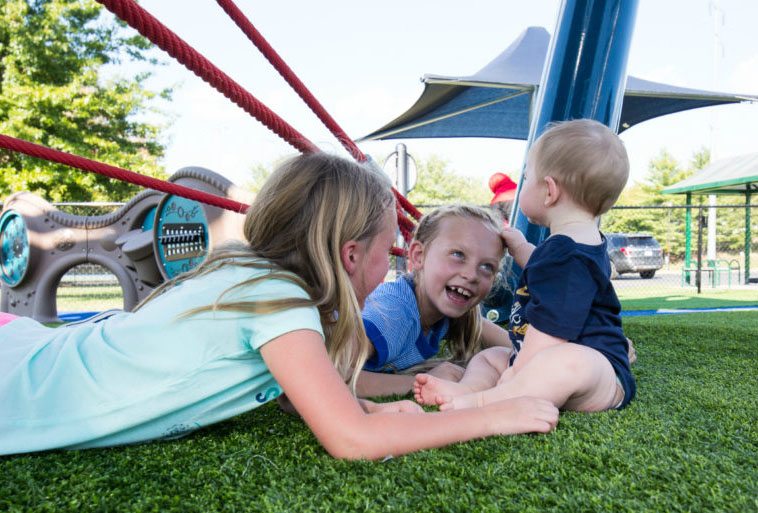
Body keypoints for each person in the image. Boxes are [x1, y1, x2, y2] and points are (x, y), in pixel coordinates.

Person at [0, 152, 558, 459]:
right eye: (386, 250)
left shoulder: (256, 278)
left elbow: (303, 397)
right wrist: (493, 415)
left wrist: (373, 407)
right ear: (349, 254)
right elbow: (351, 442)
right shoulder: (280, 300)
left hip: (34, 351)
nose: (388, 269)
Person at [414, 119, 636, 413]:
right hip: (545, 363)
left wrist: (518, 373)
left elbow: (551, 332)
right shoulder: (575, 245)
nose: (523, 186)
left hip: (596, 373)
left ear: (549, 191)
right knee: (492, 356)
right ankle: (468, 387)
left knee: (562, 362)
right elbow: (550, 279)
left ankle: (482, 401)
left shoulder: (568, 254)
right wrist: (521, 249)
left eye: (527, 177)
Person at [357, 205, 514, 397]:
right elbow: (329, 375)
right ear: (418, 255)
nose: (471, 275)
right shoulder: (392, 314)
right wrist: (422, 381)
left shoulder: (444, 312)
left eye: (487, 266)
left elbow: (521, 349)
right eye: (458, 254)